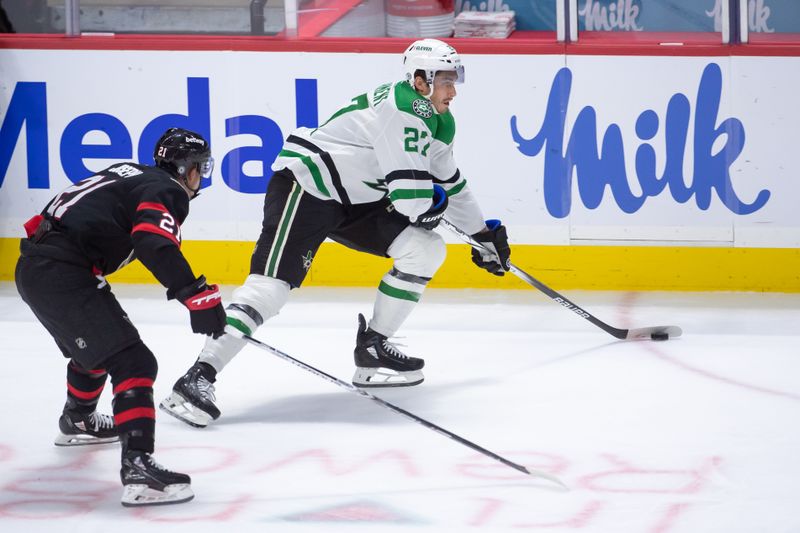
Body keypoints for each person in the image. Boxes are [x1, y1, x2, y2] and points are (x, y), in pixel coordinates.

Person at [160, 39, 511, 428]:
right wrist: (435, 205)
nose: (453, 89)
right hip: (308, 185)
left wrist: (481, 235)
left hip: (355, 197)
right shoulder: (404, 111)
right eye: (445, 80)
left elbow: (451, 182)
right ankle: (197, 378)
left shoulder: (438, 118)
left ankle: (373, 347)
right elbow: (414, 202)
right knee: (270, 289)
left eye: (455, 79)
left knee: (424, 249)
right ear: (420, 80)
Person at [15, 128, 226, 506]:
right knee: (134, 361)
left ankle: (78, 420)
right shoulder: (169, 190)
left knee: (97, 348)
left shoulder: (129, 171)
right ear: (187, 168)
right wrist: (196, 295)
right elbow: (153, 241)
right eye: (200, 167)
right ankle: (139, 468)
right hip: (62, 273)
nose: (200, 176)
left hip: (38, 267)